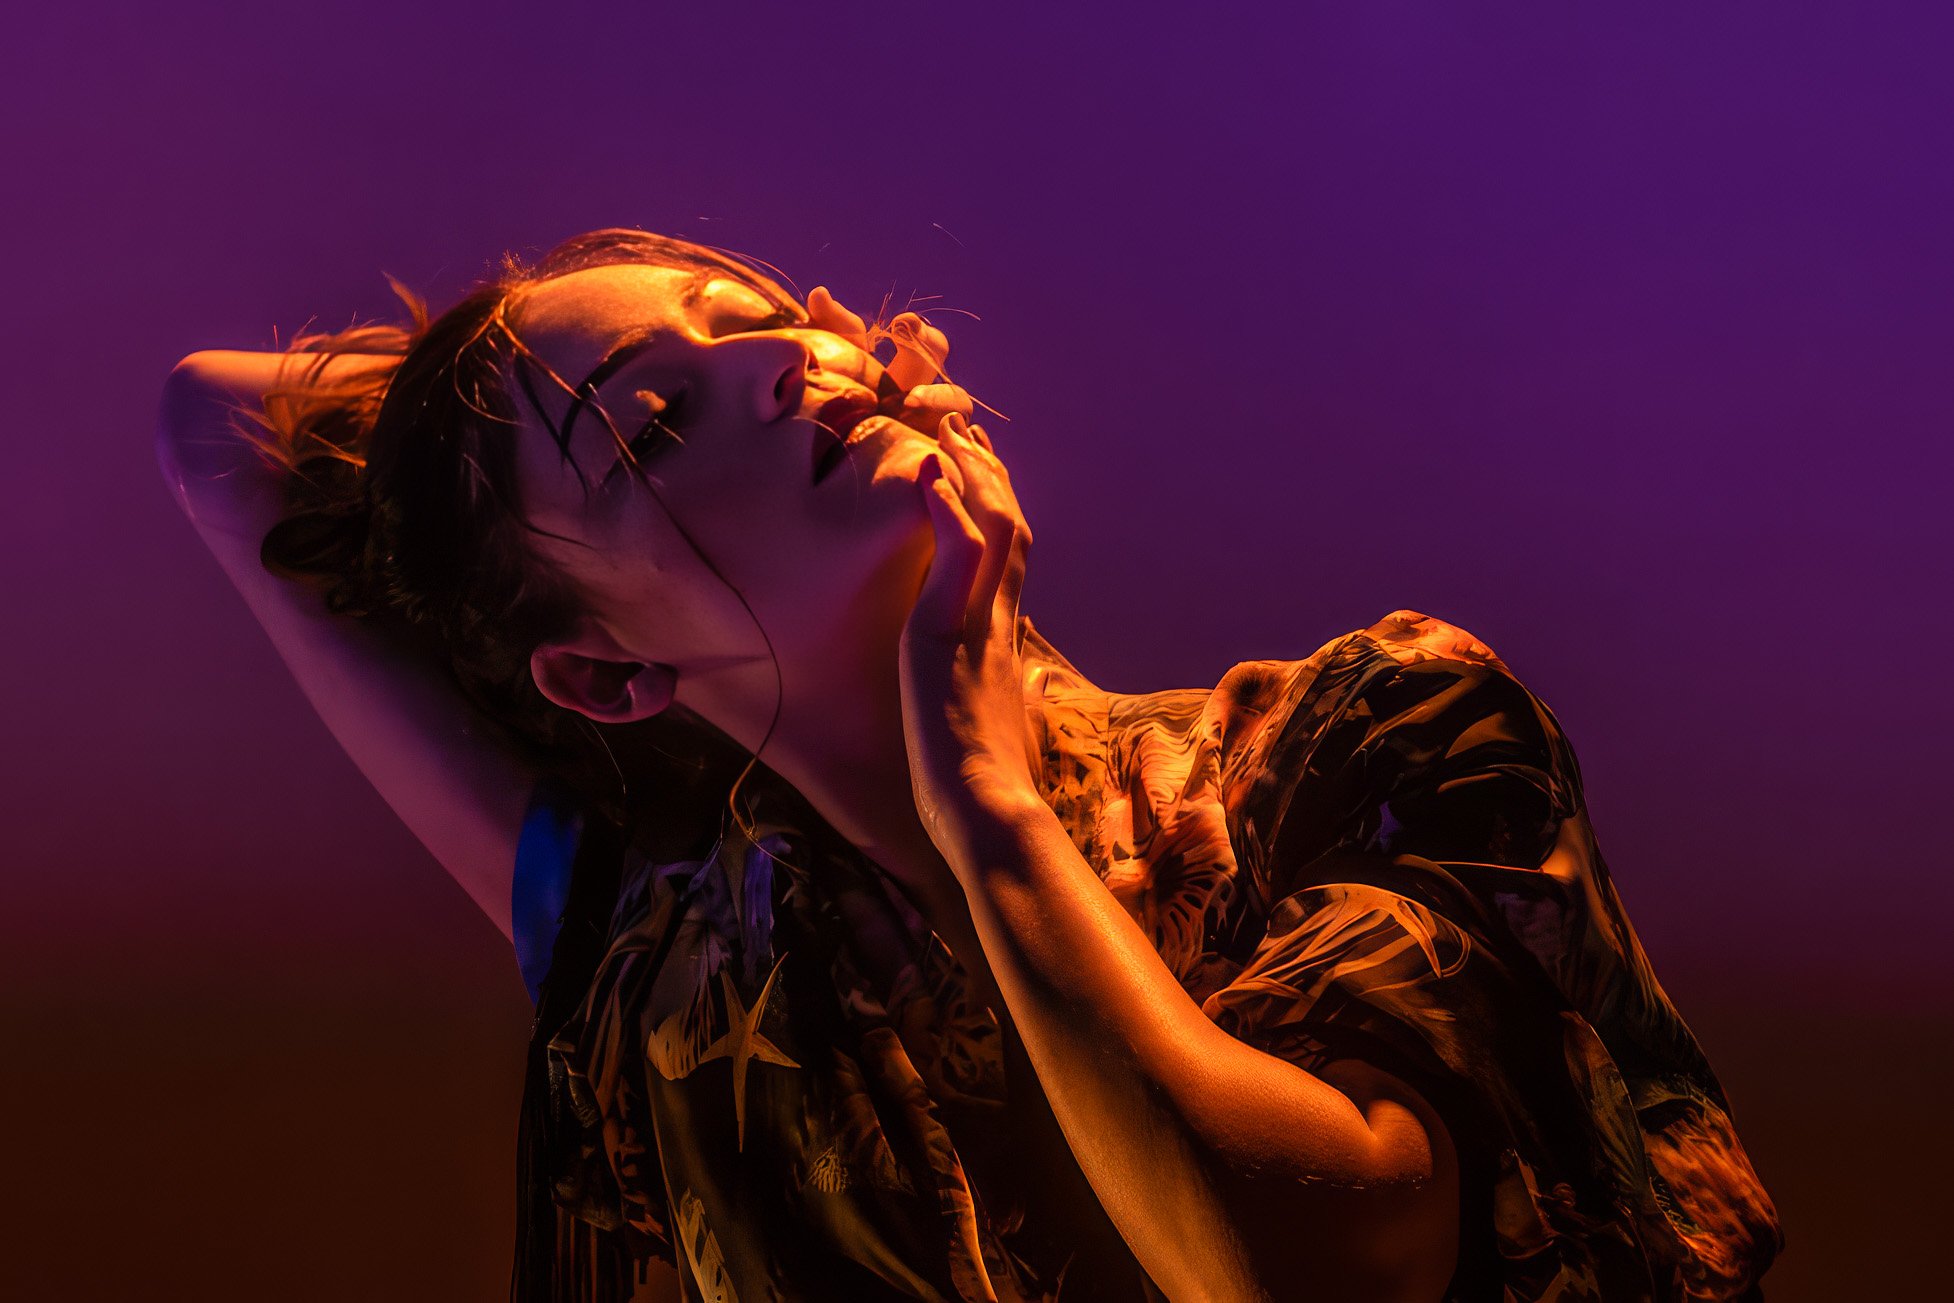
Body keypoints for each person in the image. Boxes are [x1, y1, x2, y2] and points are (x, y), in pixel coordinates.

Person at [155, 228, 1783, 1302]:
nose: (792, 360)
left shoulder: (1371, 734)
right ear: (603, 673)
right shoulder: (663, 979)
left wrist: (983, 791)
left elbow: (1306, 1274)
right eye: (656, 425)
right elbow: (204, 427)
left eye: (776, 318)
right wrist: (475, 449)